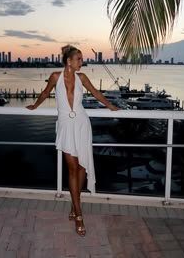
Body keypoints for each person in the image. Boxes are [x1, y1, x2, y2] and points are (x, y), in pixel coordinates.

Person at [26, 45, 119, 237]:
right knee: (73, 168)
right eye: (79, 59)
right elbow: (45, 93)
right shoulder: (55, 77)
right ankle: (78, 215)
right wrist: (35, 105)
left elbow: (96, 93)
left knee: (82, 166)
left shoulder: (82, 78)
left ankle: (74, 206)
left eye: (81, 59)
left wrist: (111, 106)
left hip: (82, 123)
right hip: (66, 126)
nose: (81, 62)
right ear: (69, 61)